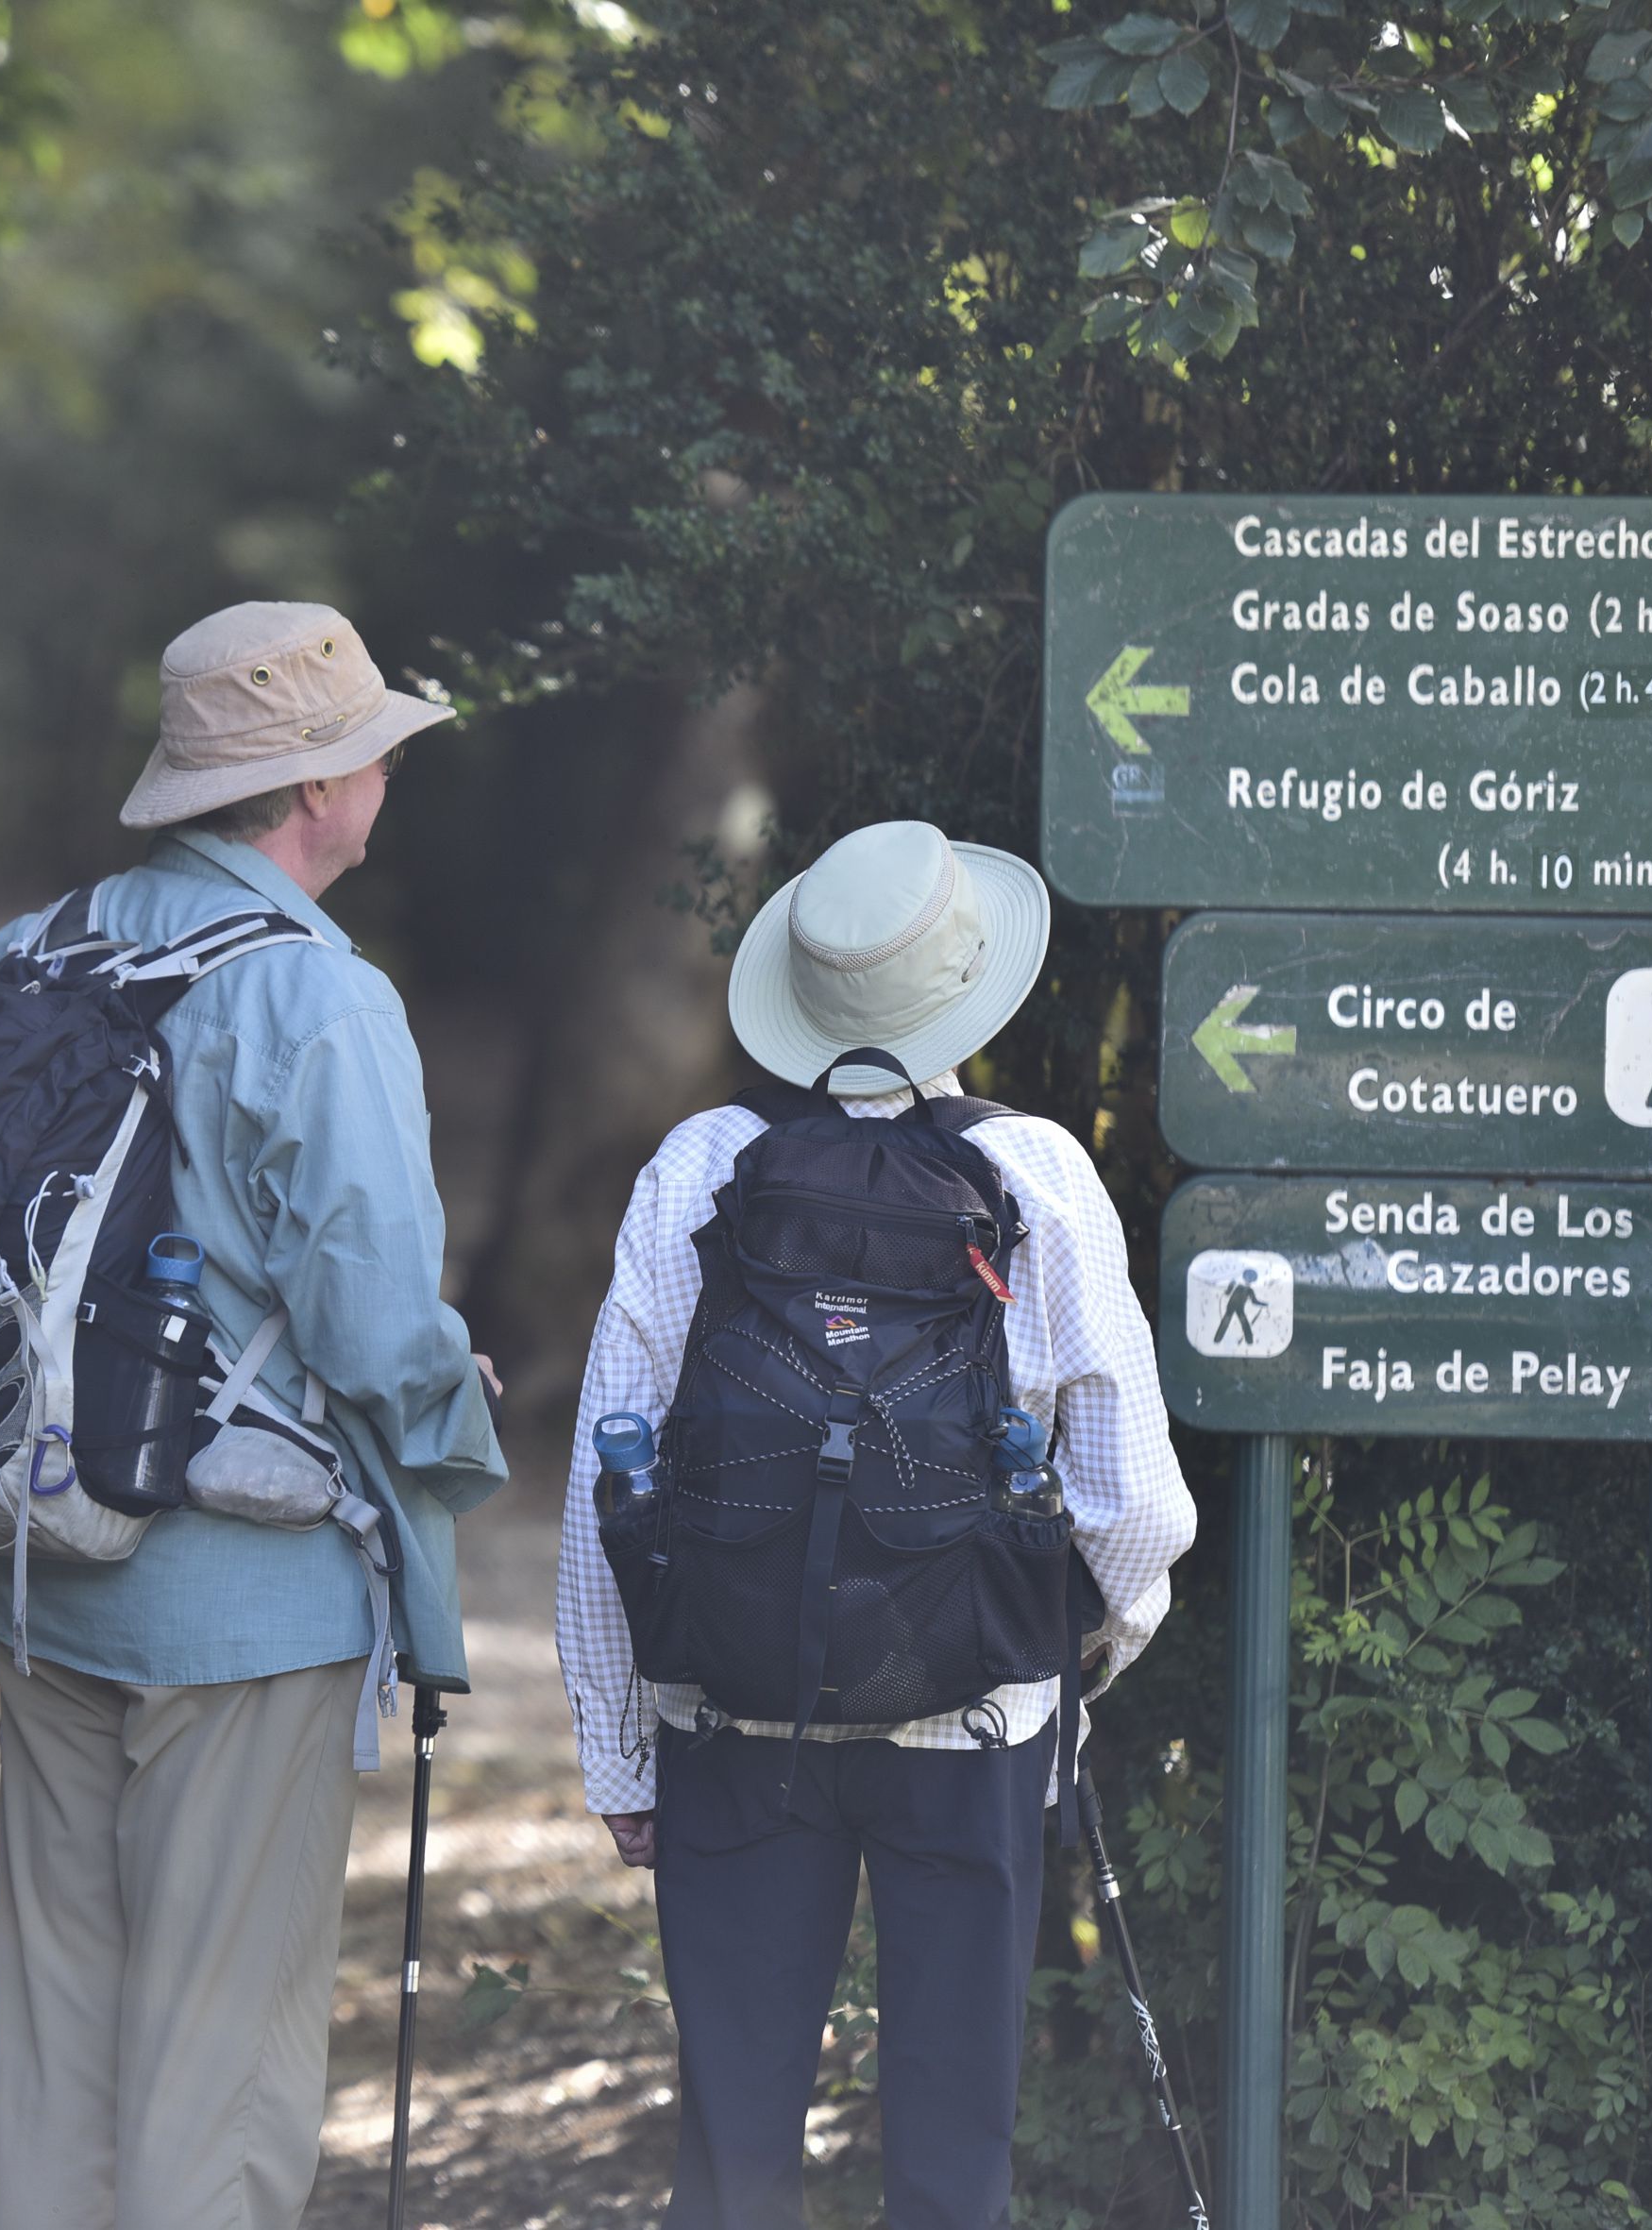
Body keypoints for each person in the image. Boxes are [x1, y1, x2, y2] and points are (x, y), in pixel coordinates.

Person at [0, 601, 507, 2230]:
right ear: (321, 790)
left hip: (46, 1544)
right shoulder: (318, 1002)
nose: (385, 771)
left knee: (62, 2019)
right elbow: (378, 1323)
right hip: (249, 1598)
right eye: (373, 747)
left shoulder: (45, 946)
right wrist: (462, 1434)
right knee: (223, 2046)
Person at [554, 819, 1198, 2229]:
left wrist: (617, 1740)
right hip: (966, 1728)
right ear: (966, 987)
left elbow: (610, 1472)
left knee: (731, 2145)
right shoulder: (1035, 1176)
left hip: (728, 1715)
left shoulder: (700, 1165)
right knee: (955, 2150)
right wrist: (1069, 1661)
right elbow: (1136, 1505)